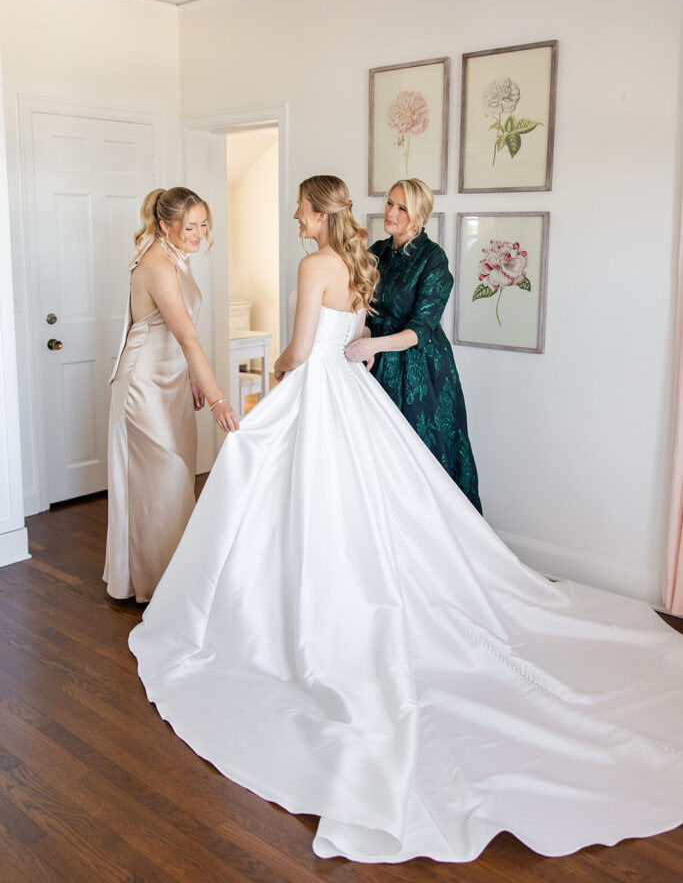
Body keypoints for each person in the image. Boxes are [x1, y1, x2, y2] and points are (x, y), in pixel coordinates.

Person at [129, 174, 683, 864]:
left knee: (286, 491)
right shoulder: (362, 263)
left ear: (315, 213)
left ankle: (280, 614)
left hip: (324, 390)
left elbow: (303, 352)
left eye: (298, 207)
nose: (294, 215)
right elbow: (356, 330)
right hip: (355, 394)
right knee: (368, 504)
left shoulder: (314, 263)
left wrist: (276, 371)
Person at [104, 186, 238, 604]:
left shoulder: (175, 255)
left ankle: (175, 577)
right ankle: (156, 585)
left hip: (172, 378)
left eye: (203, 225)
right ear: (166, 225)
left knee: (178, 477)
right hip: (144, 386)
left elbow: (180, 337)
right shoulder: (158, 262)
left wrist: (194, 380)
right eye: (190, 226)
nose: (199, 234)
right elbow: (186, 336)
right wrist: (218, 399)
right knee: (161, 481)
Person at [345, 178, 481, 513]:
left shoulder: (433, 259)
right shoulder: (375, 251)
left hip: (420, 371)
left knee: (421, 456)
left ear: (418, 216)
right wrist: (362, 336)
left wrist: (373, 346)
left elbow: (421, 329)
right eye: (390, 203)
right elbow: (363, 307)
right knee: (376, 456)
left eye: (401, 208)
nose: (390, 211)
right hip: (375, 367)